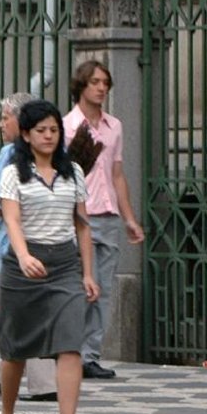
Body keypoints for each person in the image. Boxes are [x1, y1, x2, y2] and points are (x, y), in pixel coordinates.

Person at [0, 99, 99, 414]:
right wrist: (23, 255)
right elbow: (11, 219)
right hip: (23, 267)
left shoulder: (73, 172)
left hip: (65, 266)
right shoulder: (14, 172)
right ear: (26, 134)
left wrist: (88, 273)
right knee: (15, 349)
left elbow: (82, 226)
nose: (49, 136)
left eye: (54, 130)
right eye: (41, 130)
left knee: (70, 344)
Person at [62, 59, 145, 380]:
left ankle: (89, 355)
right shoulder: (67, 127)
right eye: (95, 82)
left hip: (107, 214)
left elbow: (118, 174)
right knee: (79, 286)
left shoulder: (114, 126)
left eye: (105, 83)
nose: (101, 88)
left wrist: (129, 219)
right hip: (77, 216)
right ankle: (69, 351)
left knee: (103, 288)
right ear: (81, 85)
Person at [0, 92, 57, 405]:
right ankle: (3, 372)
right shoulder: (50, 150)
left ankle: (39, 381)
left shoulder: (11, 152)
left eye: (4, 117)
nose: (0, 124)